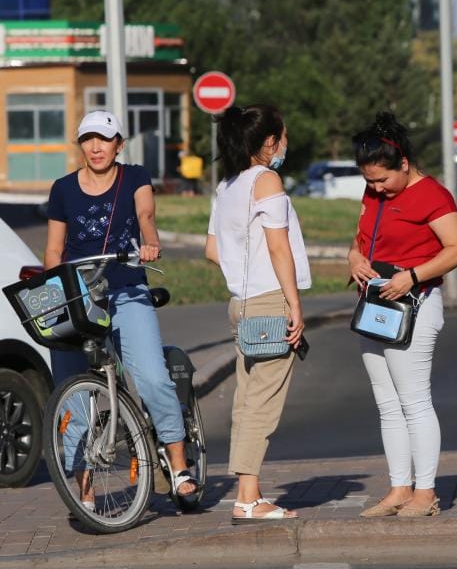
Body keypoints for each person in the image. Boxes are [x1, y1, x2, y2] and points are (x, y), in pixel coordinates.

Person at [45, 110, 199, 509]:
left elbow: (146, 216)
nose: (96, 147)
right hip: (80, 297)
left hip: (127, 287)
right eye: (88, 139)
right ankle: (84, 487)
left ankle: (179, 466)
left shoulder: (134, 177)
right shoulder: (62, 189)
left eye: (104, 139)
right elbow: (53, 249)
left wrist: (149, 242)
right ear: (80, 144)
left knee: (150, 376)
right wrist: (53, 287)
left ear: (118, 144)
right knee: (72, 395)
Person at [349, 112, 457, 518]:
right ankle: (399, 487)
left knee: (414, 400)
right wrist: (354, 258)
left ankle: (426, 492)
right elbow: (362, 238)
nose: (376, 188)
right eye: (369, 181)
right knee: (387, 403)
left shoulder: (432, 195)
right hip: (376, 305)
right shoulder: (374, 195)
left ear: (404, 164)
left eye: (382, 179)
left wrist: (412, 276)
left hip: (415, 303)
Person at [205, 104, 310, 522]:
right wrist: (294, 304)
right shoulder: (266, 180)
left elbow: (212, 250)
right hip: (270, 300)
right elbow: (277, 246)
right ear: (268, 142)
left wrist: (240, 272)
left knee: (247, 400)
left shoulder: (227, 186)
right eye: (282, 137)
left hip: (242, 303)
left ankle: (250, 492)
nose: (285, 144)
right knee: (263, 403)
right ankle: (247, 499)